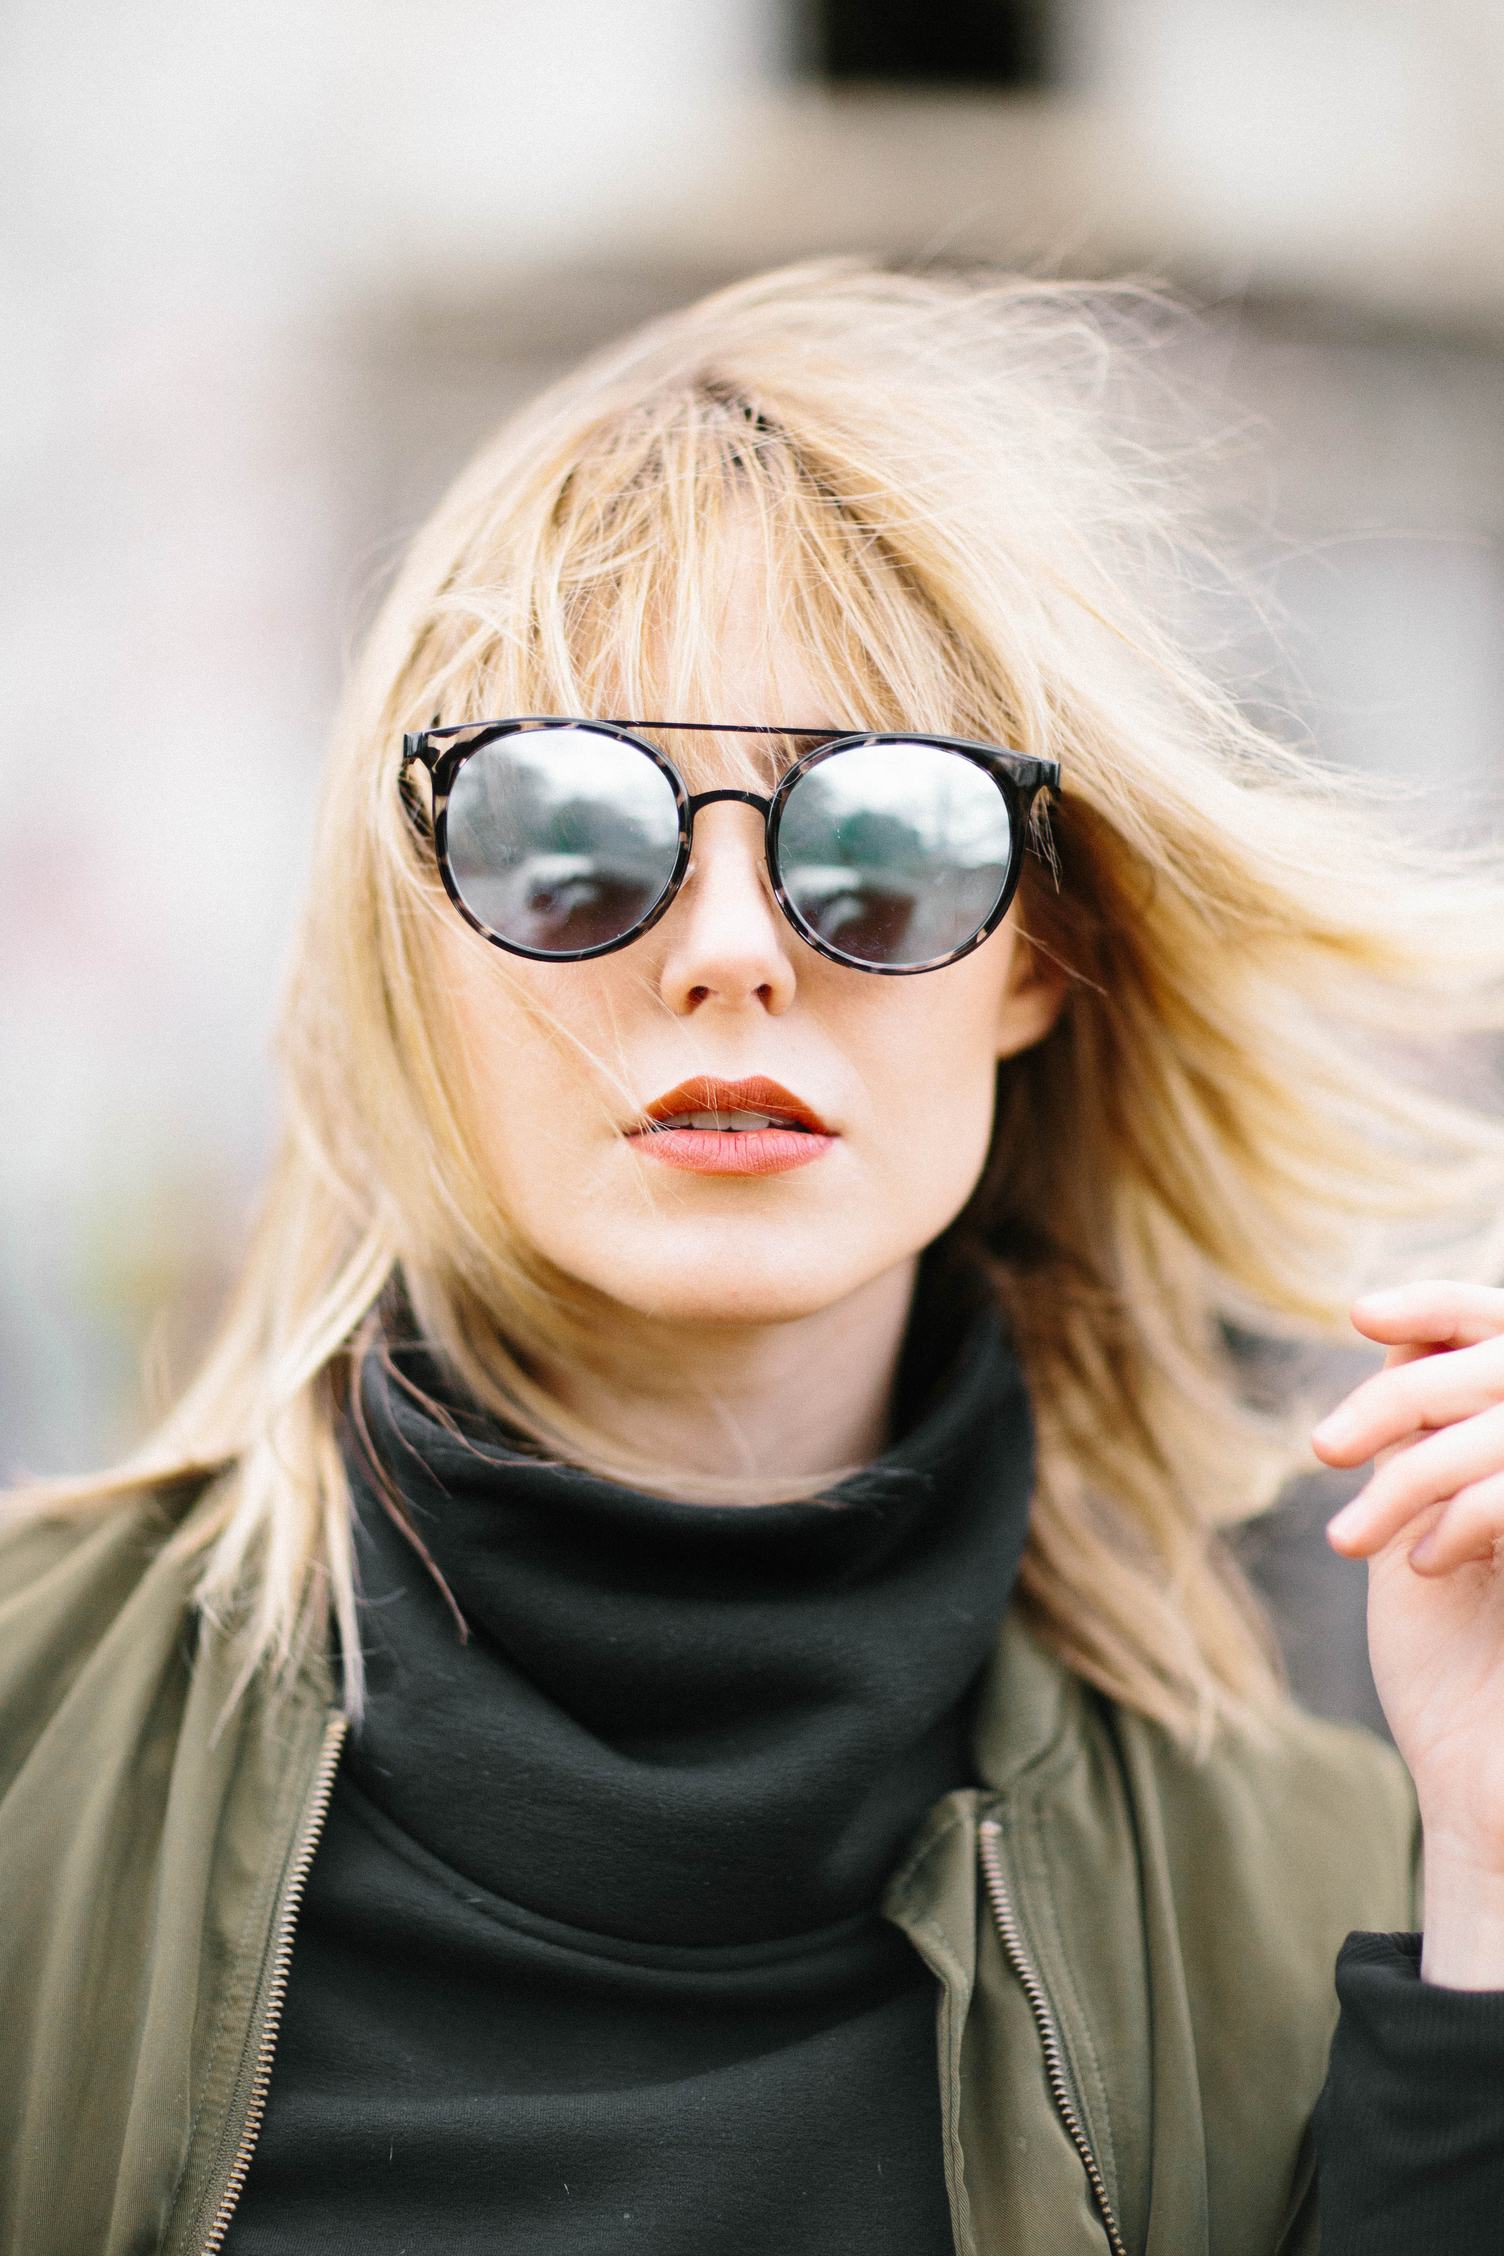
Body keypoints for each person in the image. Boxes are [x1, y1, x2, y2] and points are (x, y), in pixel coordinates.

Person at [3, 261, 1504, 2256]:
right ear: (413, 944)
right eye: (571, 840)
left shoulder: (1338, 1884)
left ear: (1034, 963)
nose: (727, 944)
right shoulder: (33, 1748)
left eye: (883, 849)